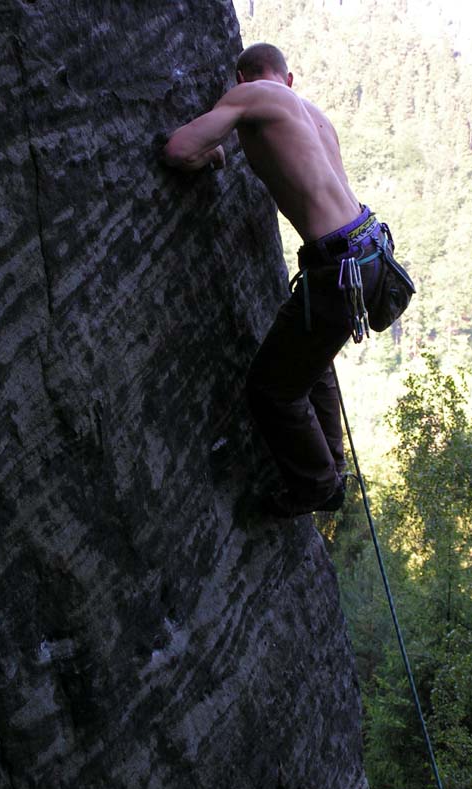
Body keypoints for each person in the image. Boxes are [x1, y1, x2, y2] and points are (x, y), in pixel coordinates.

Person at [164, 43, 414, 517]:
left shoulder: (251, 96)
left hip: (336, 267)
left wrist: (212, 154)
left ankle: (317, 487)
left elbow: (178, 149)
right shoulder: (312, 114)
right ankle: (332, 465)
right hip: (369, 250)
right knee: (312, 358)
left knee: (271, 389)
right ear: (289, 78)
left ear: (243, 77)